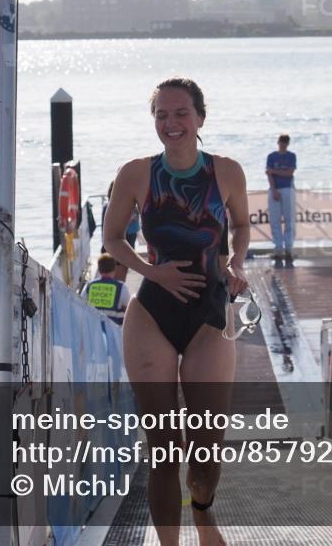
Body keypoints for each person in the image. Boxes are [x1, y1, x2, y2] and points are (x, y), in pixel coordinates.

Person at [103, 77, 250, 546]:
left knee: (206, 450)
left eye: (181, 113)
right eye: (162, 115)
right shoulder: (136, 173)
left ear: (200, 118)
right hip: (153, 313)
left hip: (210, 312)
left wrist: (237, 263)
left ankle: (203, 512)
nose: (171, 123)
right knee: (164, 449)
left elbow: (243, 225)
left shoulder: (226, 172)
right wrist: (153, 271)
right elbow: (112, 239)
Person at [265, 133, 296, 264]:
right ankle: (278, 249)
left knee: (289, 220)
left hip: (288, 189)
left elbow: (289, 173)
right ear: (278, 142)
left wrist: (274, 172)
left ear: (287, 143)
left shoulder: (291, 156)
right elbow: (268, 174)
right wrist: (274, 189)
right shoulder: (271, 156)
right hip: (275, 190)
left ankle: (288, 249)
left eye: (285, 142)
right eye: (281, 141)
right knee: (275, 220)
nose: (282, 144)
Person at [82, 253, 131, 325]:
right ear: (114, 268)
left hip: (94, 327)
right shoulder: (121, 287)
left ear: (99, 269)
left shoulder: (89, 286)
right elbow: (128, 311)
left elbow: (82, 304)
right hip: (115, 329)